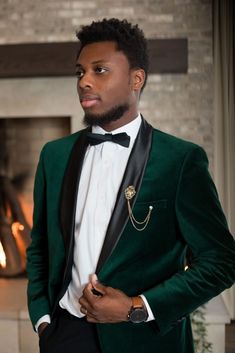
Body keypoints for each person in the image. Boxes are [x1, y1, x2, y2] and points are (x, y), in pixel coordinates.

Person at [27, 18, 235, 353]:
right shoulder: (54, 155)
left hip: (145, 340)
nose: (84, 82)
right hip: (64, 334)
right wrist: (42, 317)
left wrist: (135, 307)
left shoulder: (180, 160)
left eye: (100, 70)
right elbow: (40, 246)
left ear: (136, 79)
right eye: (80, 72)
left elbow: (221, 261)